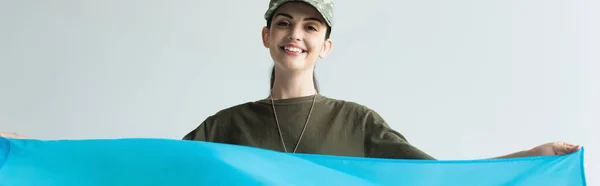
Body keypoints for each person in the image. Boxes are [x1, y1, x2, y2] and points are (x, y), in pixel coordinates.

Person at [2, 0, 581, 160]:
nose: (294, 34)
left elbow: (433, 185)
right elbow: (154, 177)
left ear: (325, 45)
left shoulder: (357, 123)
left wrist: (527, 157)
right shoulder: (225, 126)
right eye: (283, 23)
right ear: (267, 38)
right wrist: (34, 157)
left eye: (309, 26)